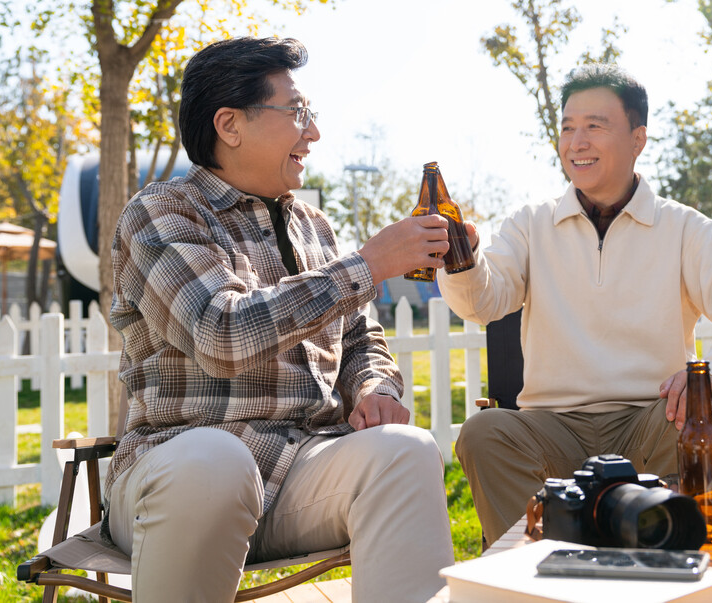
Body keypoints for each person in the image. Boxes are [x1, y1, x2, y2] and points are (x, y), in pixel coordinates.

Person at [103, 36, 455, 602]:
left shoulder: (315, 226)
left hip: (299, 470)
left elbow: (362, 338)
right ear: (230, 124)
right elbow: (222, 332)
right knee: (217, 462)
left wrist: (373, 386)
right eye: (296, 113)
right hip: (179, 474)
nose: (312, 132)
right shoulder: (162, 213)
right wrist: (369, 264)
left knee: (407, 450)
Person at [438, 63, 712, 545]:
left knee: (690, 422)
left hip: (652, 419)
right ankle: (525, 579)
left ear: (637, 139)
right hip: (552, 425)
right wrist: (462, 262)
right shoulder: (530, 224)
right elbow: (484, 301)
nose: (576, 142)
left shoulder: (683, 228)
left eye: (594, 127)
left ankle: (660, 569)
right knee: (484, 432)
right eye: (567, 128)